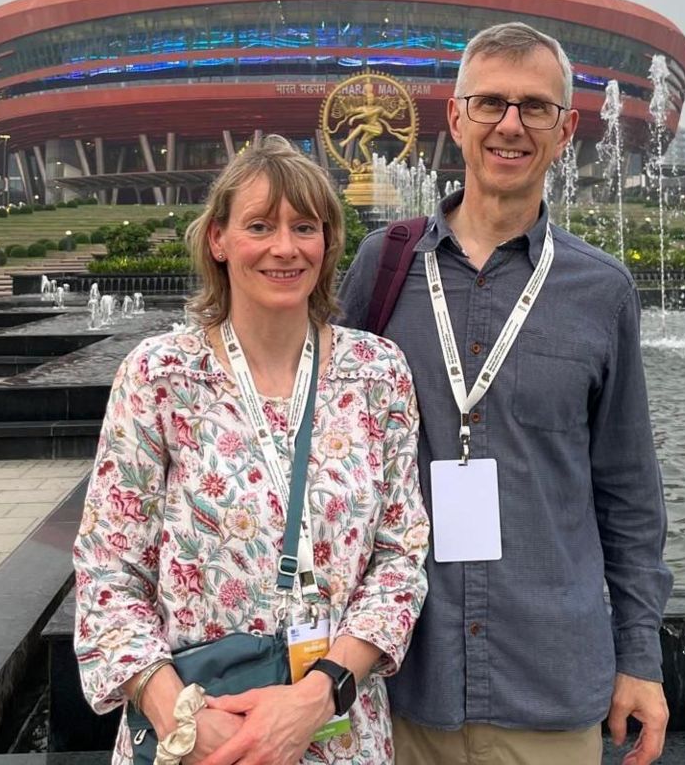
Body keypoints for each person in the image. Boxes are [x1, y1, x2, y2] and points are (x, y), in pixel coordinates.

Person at [339, 22, 674, 764]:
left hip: (549, 690)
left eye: (535, 107)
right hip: (399, 683)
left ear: (567, 130)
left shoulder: (601, 291)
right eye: (490, 103)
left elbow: (628, 492)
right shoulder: (382, 268)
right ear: (456, 119)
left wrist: (640, 657)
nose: (511, 125)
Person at [73, 135, 430, 765]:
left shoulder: (378, 373)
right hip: (194, 737)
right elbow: (108, 570)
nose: (284, 247)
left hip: (337, 733)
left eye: (305, 227)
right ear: (218, 238)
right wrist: (181, 716)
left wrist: (323, 692)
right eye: (259, 225)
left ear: (329, 242)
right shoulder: (161, 376)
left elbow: (401, 557)